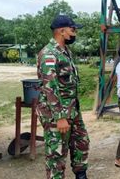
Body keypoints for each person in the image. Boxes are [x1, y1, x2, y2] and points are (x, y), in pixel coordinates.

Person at [37, 15, 89, 179]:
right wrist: (60, 117)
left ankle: (81, 175)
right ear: (62, 31)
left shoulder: (65, 51)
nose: (75, 34)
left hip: (72, 110)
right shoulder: (49, 54)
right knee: (57, 153)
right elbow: (49, 87)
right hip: (56, 114)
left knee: (81, 143)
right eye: (73, 30)